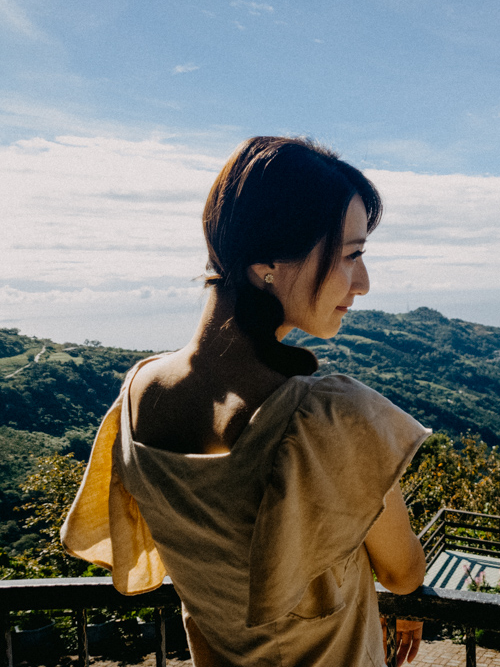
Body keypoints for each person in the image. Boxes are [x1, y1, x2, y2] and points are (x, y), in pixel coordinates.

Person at [61, 137, 431, 666]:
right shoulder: (326, 418)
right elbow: (403, 572)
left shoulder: (138, 395)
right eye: (351, 255)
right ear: (269, 265)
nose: (363, 283)